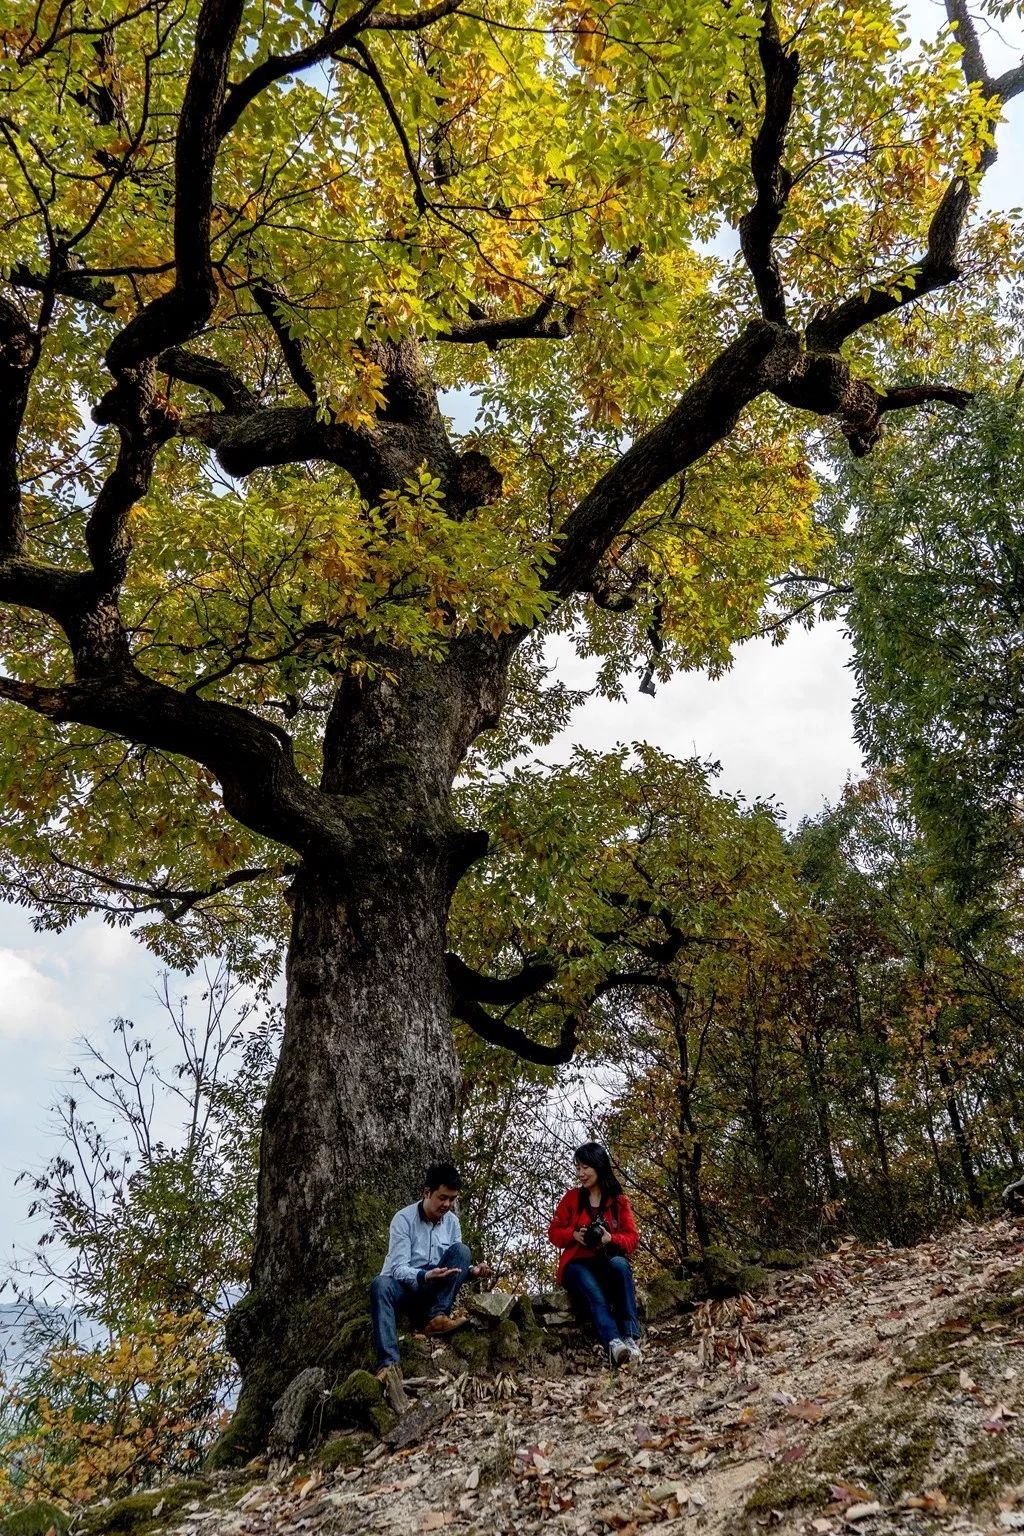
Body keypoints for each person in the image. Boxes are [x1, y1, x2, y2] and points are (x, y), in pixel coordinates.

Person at [371, 1160, 491, 1412]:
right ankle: (388, 1365)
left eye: (452, 1199)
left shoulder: (452, 1222)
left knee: (462, 1250)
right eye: (442, 1198)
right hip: (407, 1285)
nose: (447, 1205)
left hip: (435, 1291)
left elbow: (454, 1269)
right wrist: (425, 1275)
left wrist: (473, 1272)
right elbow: (397, 1268)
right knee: (380, 1284)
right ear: (427, 1193)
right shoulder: (403, 1220)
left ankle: (437, 1317)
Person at [549, 1141, 642, 1367]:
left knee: (621, 1265)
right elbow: (553, 1233)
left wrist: (611, 1239)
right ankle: (613, 1342)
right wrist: (574, 1234)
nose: (580, 1173)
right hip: (577, 1264)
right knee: (594, 1292)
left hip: (607, 1261)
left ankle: (630, 1337)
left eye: (585, 1167)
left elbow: (632, 1238)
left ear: (599, 1166)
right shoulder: (571, 1198)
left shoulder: (618, 1201)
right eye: (577, 1167)